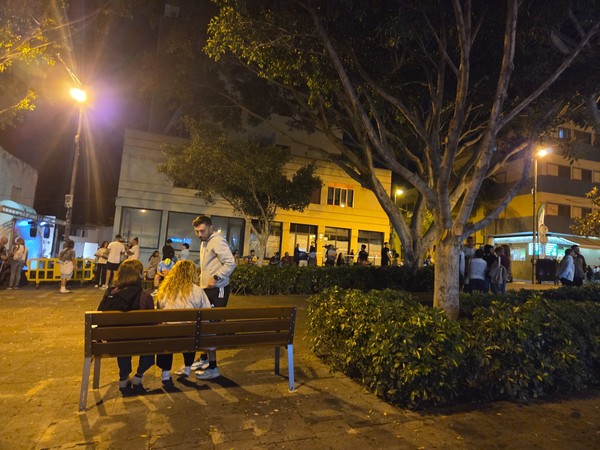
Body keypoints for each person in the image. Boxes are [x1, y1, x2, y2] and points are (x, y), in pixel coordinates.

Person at [97, 259, 155, 395]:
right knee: (151, 341)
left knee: (122, 341)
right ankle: (138, 376)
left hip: (114, 343)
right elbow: (152, 324)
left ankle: (123, 378)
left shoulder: (110, 294)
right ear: (139, 275)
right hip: (141, 343)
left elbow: (100, 317)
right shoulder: (145, 297)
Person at [191, 215, 236, 380]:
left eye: (202, 230)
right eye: (196, 231)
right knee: (205, 324)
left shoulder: (217, 241)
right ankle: (204, 358)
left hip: (218, 289)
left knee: (211, 328)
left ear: (210, 227)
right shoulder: (205, 242)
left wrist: (216, 278)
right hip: (207, 289)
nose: (199, 234)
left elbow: (231, 263)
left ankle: (213, 367)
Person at [155, 260, 211, 388]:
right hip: (189, 336)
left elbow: (159, 309)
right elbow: (207, 313)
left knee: (166, 334)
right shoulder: (197, 291)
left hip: (168, 334)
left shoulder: (165, 289)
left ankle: (165, 373)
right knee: (191, 330)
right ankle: (187, 368)